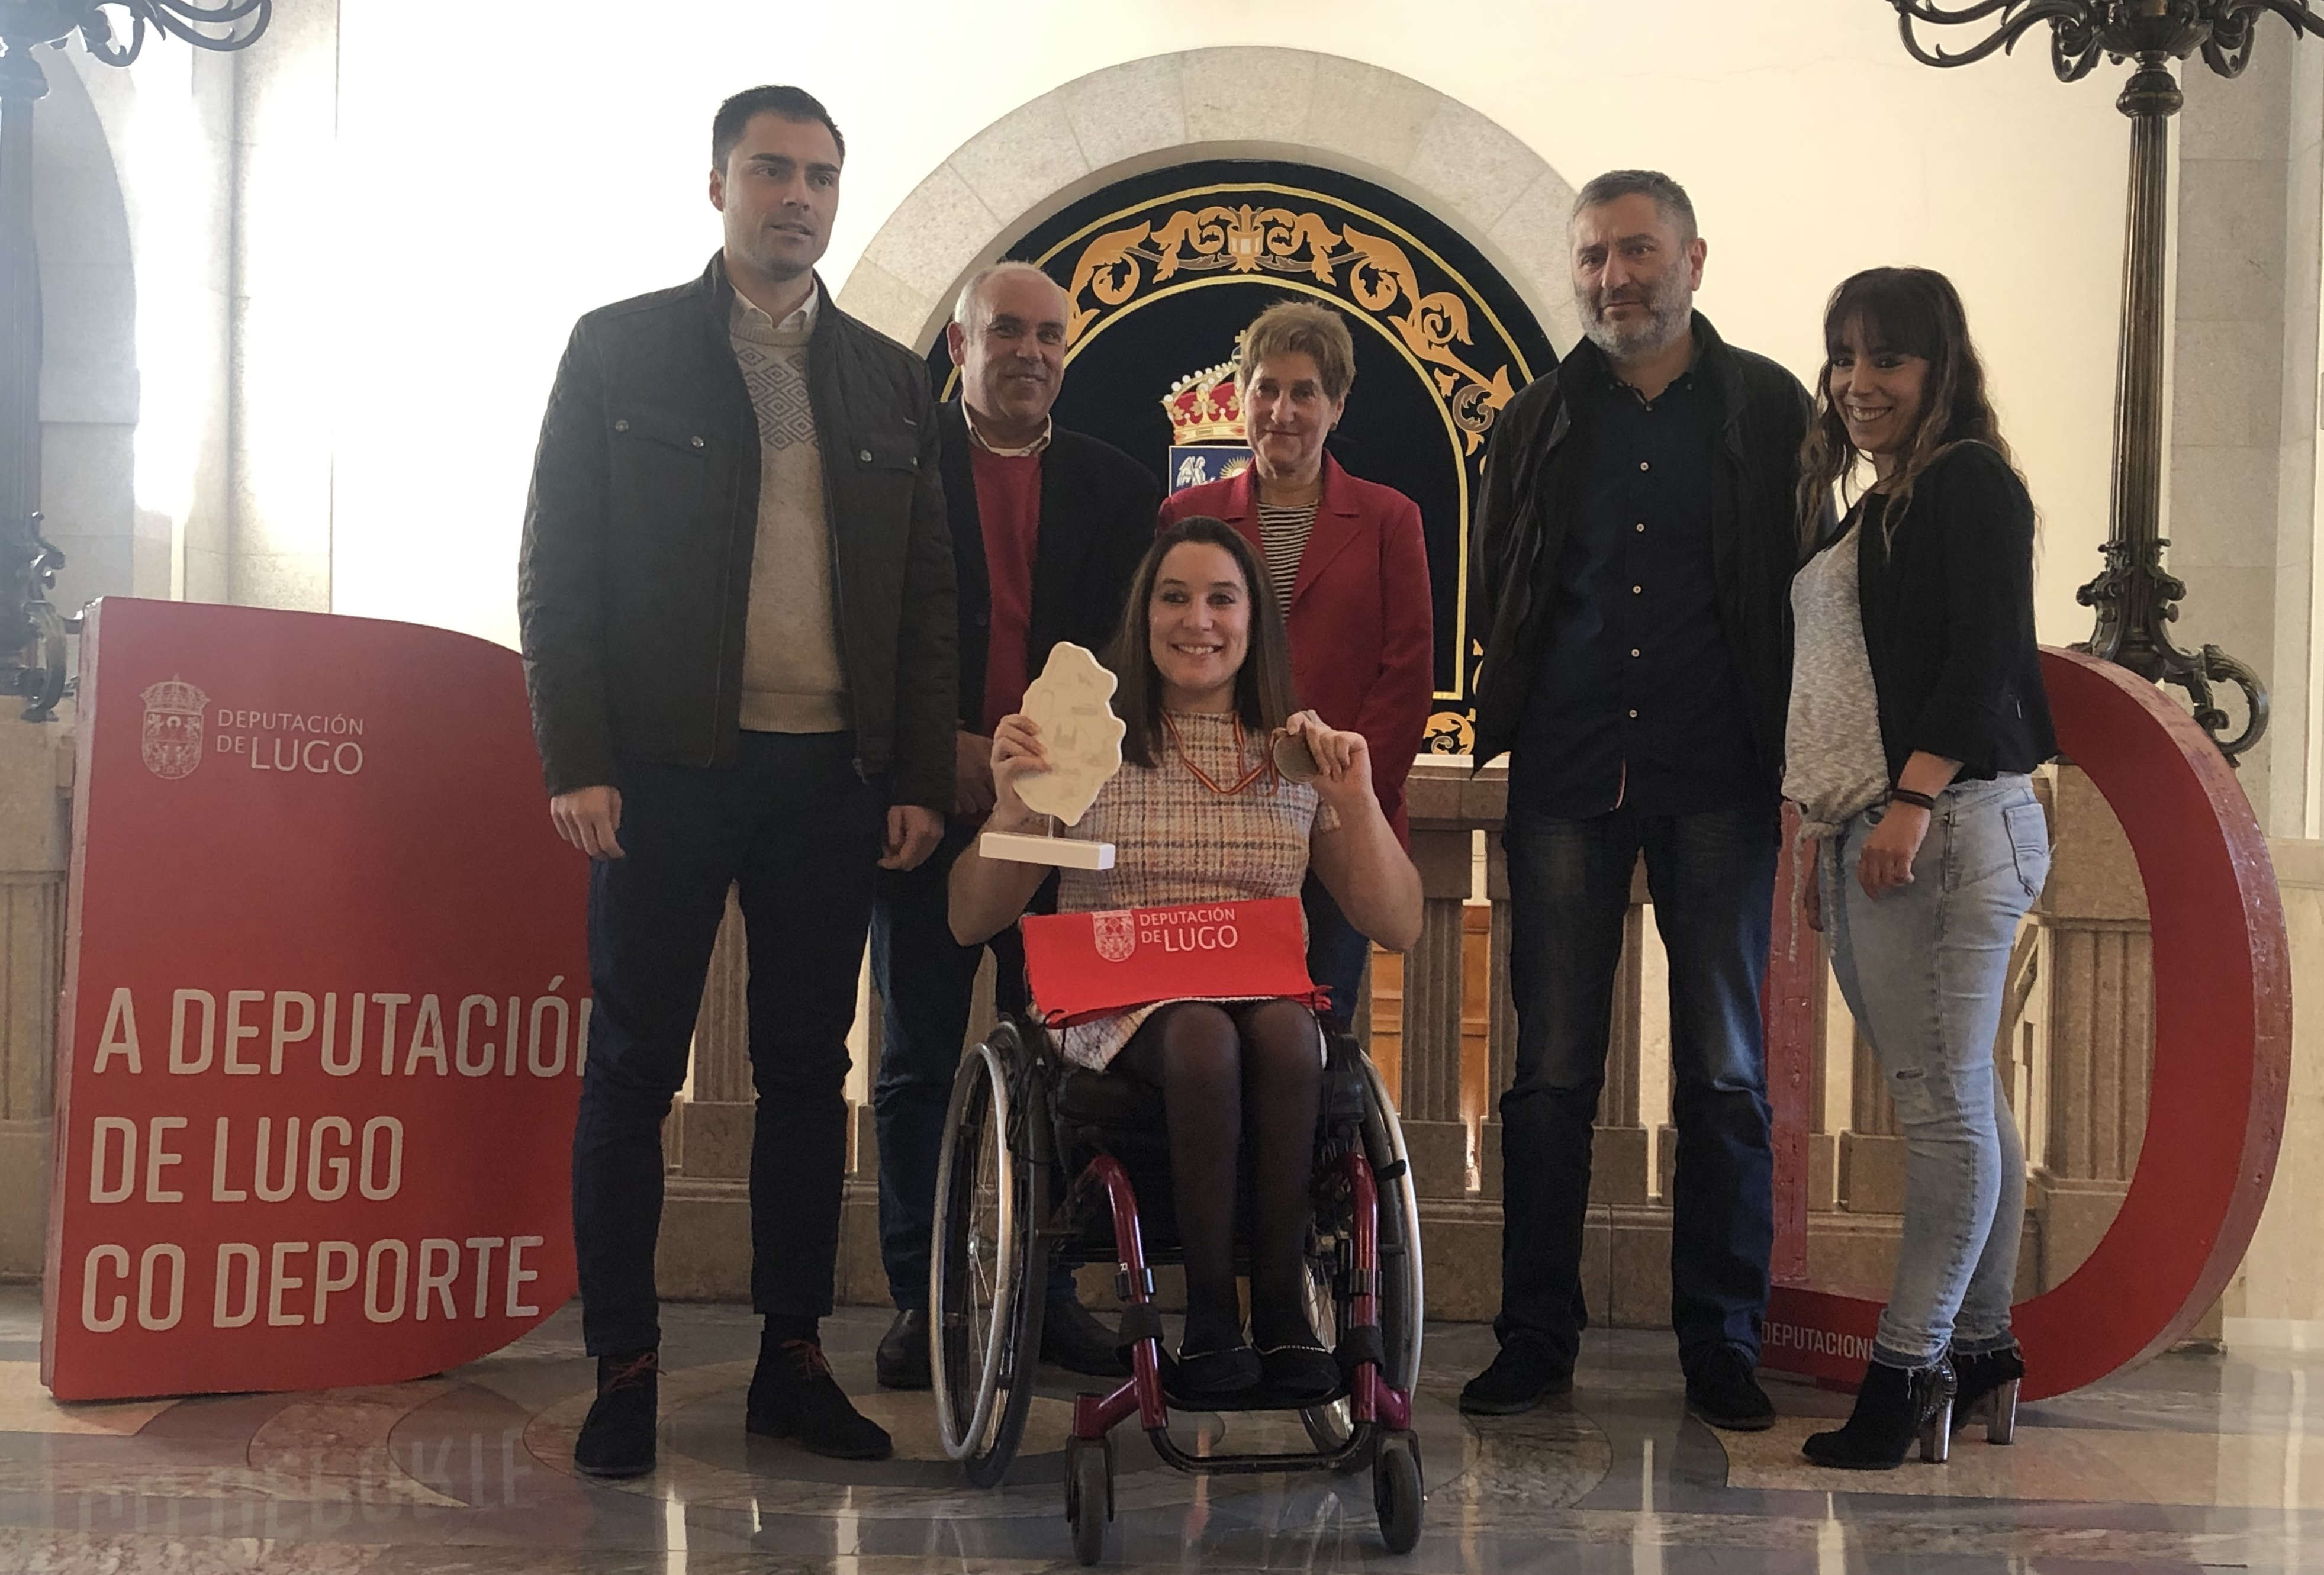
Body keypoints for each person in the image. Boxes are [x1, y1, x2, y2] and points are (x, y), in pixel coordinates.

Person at [517, 84, 955, 1477]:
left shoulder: (889, 379)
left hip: (827, 777)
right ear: (718, 185)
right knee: (633, 1065)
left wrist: (913, 773)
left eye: (818, 176)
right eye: (770, 170)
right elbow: (558, 567)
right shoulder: (621, 349)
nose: (796, 197)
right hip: (663, 772)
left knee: (804, 1071)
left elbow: (928, 598)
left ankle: (791, 1359)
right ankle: (624, 1366)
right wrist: (580, 756)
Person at [1464, 170, 1818, 1429]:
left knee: (1724, 1071)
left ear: (1692, 258)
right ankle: (1534, 1336)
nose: (1614, 277)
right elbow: (1502, 583)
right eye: (1593, 258)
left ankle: (1721, 1342)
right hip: (1567, 772)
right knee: (1551, 1073)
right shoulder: (1537, 416)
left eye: (1637, 252)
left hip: (1719, 774)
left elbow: (1809, 591)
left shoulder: (1771, 409)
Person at [948, 517, 1423, 1398]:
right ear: (1144, 615)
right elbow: (969, 919)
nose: (1196, 620)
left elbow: (1397, 924)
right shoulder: (1084, 746)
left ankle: (1279, 1310)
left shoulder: (1293, 754)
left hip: (1260, 1005)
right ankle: (1208, 1318)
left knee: (1290, 1033)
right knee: (1203, 1032)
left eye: (1220, 600)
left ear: (1252, 621)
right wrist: (1013, 811)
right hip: (1116, 1007)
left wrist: (1356, 804)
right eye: (1174, 597)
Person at [868, 260, 1158, 1390]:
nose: (1030, 352)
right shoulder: (898, 469)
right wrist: (931, 751)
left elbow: (1129, 663)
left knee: (1066, 1062)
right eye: (1006, 331)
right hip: (927, 813)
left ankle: (1049, 1295)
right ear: (960, 344)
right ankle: (926, 1296)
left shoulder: (1118, 488)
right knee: (914, 1063)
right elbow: (868, 633)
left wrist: (1051, 775)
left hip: (1064, 824)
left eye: (1049, 335)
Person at [1787, 266, 2055, 1468]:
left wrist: (1907, 799)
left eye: (1886, 358)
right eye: (1843, 357)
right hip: (1900, 822)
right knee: (1965, 1097)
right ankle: (1983, 1345)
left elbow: (1982, 653)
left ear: (1939, 367)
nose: (1858, 382)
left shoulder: (1968, 481)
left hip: (1944, 822)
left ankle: (1905, 1371)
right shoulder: (1888, 494)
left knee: (1941, 1112)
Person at [1159, 301, 1434, 1025]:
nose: (1282, 411)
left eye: (1304, 392)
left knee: (1319, 1032)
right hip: (1219, 819)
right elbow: (1167, 659)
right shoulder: (1187, 515)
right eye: (1266, 389)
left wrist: (1340, 800)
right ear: (1241, 398)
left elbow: (1407, 674)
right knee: (1208, 1023)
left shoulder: (1389, 519)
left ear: (1336, 406)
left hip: (1337, 829)